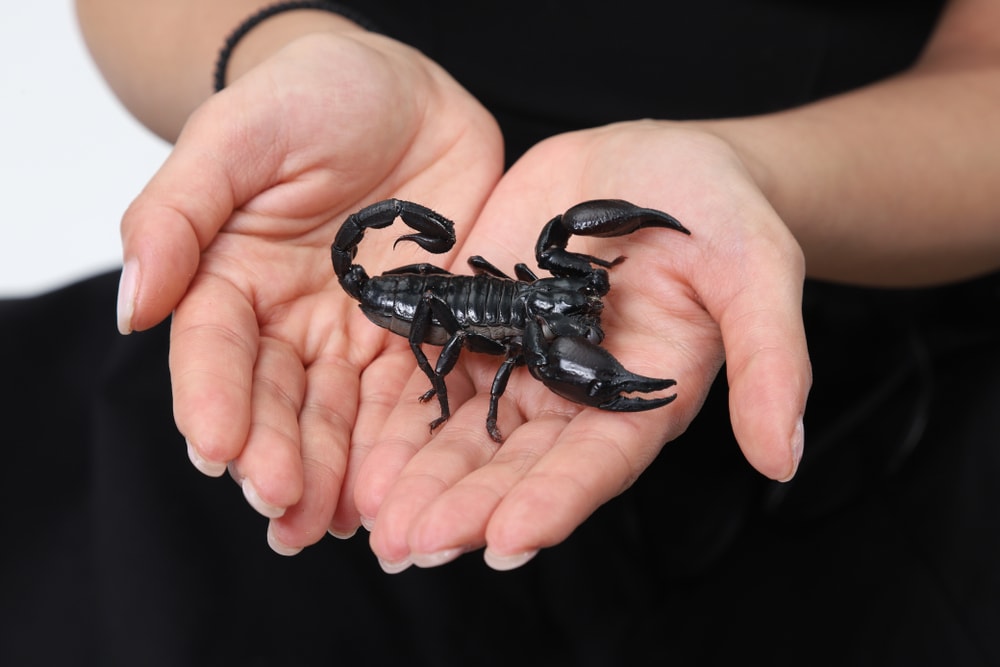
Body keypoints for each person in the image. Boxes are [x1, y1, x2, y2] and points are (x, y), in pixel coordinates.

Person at [2, 0, 997, 664]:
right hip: (318, 321)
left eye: (577, 306)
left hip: (895, 403)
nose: (576, 305)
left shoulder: (552, 285)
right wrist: (283, 51)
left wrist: (753, 177)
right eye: (575, 308)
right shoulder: (520, 326)